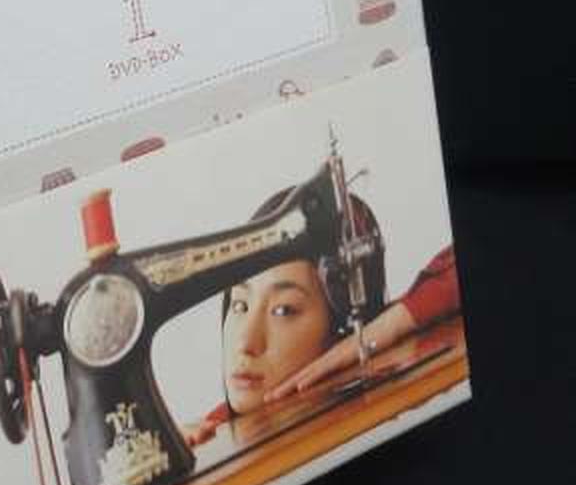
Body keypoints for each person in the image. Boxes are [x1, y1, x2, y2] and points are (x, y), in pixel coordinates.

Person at [183, 188, 460, 447]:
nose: (245, 342)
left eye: (283, 310)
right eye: (240, 306)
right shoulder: (215, 428)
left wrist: (381, 330)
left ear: (341, 333)